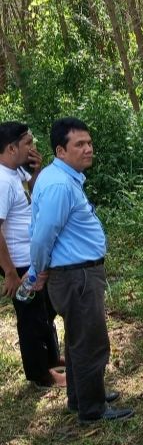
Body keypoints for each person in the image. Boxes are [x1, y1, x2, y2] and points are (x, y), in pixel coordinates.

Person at [29, 117, 131, 422]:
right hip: (77, 275)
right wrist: (37, 271)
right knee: (90, 342)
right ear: (61, 150)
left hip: (77, 274)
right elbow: (42, 235)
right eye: (79, 144)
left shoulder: (60, 177)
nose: (88, 149)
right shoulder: (60, 184)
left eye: (89, 142)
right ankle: (92, 408)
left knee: (79, 338)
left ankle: (83, 396)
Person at [0, 121, 64, 389]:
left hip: (32, 258)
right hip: (19, 261)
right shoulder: (2, 180)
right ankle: (40, 374)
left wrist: (36, 170)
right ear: (11, 148)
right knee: (30, 317)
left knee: (45, 310)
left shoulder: (17, 173)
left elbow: (33, 196)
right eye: (27, 143)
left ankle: (51, 360)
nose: (32, 147)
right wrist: (11, 272)